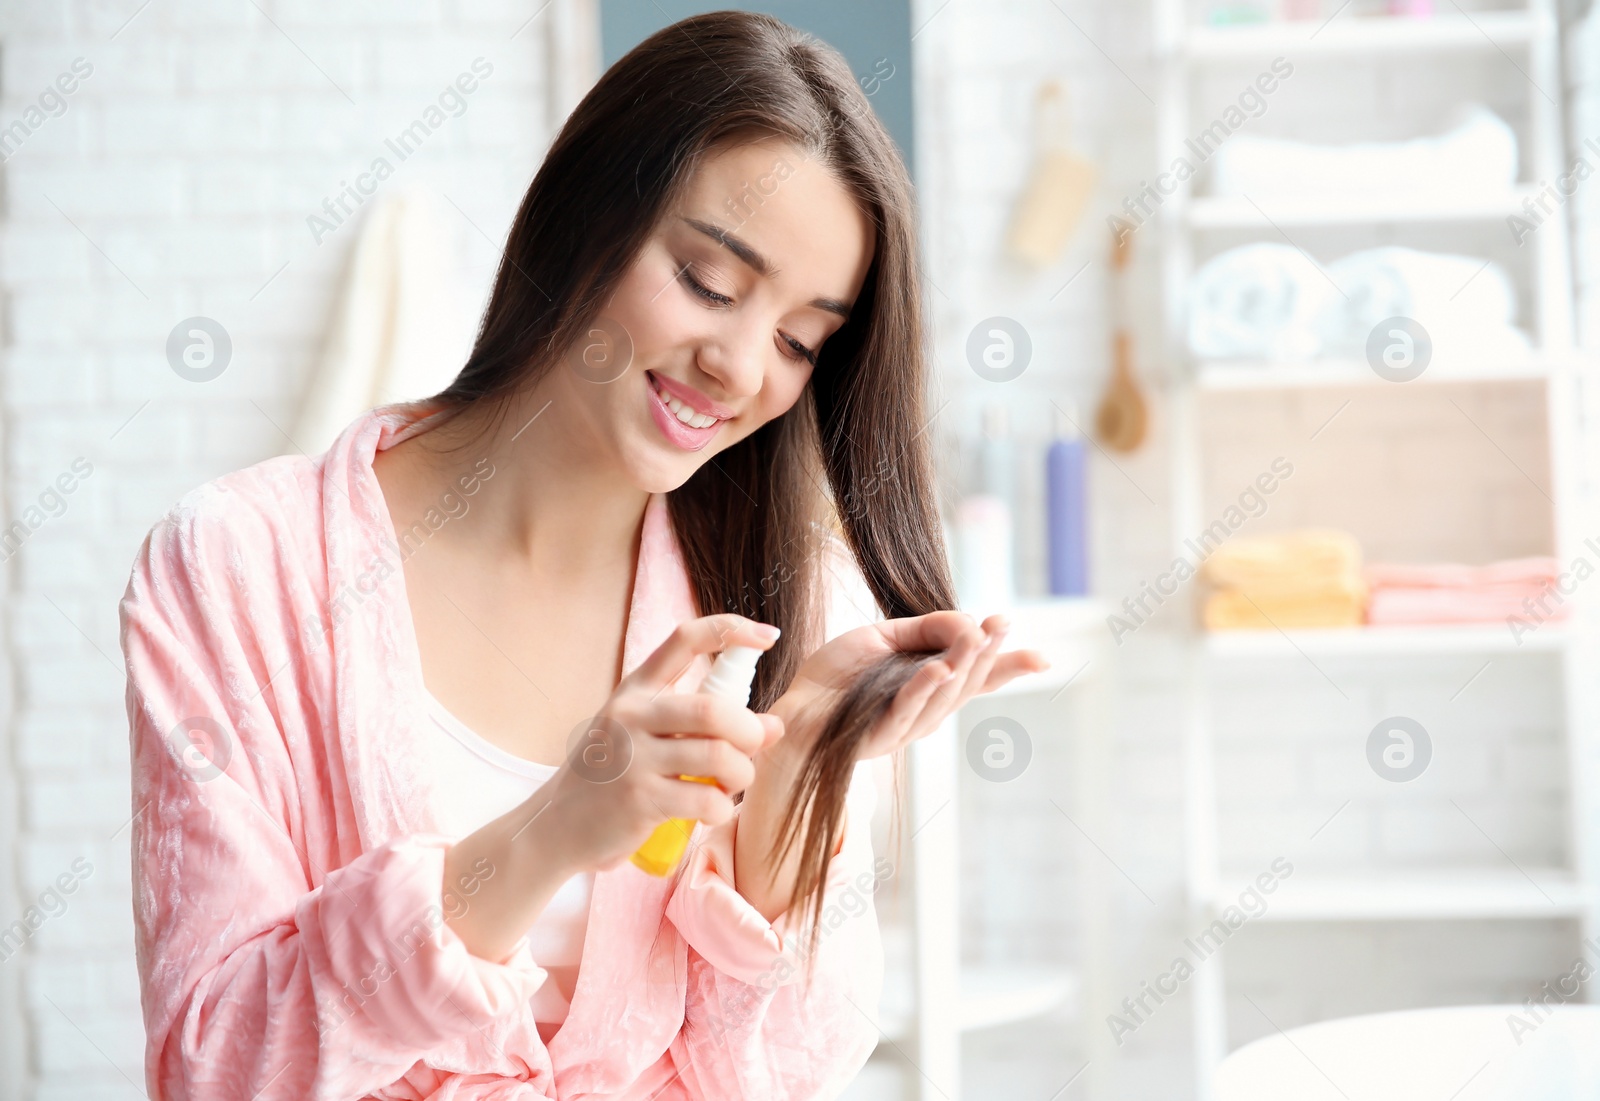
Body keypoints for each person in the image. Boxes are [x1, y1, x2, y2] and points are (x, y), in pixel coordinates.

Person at [120, 11, 1047, 1099]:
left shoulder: (798, 602)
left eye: (801, 339)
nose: (742, 366)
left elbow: (785, 1074)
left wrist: (792, 780)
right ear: (581, 216)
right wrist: (554, 830)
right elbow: (213, 1070)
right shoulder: (237, 567)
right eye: (707, 280)